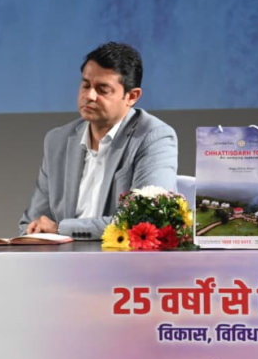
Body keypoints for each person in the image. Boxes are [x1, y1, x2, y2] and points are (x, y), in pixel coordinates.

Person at [19, 42, 177, 239]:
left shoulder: (153, 137)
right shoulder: (58, 140)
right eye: (86, 85)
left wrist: (61, 229)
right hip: (62, 256)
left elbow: (145, 221)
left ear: (132, 96)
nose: (89, 96)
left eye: (103, 89)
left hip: (121, 256)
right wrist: (35, 230)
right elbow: (32, 222)